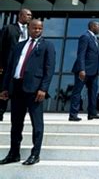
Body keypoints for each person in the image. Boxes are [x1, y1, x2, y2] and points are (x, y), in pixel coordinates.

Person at [0, 19, 55, 166]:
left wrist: (43, 89)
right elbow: (10, 68)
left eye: (40, 28)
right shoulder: (19, 46)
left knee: (37, 124)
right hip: (17, 88)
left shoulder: (47, 46)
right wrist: (5, 88)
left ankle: (35, 154)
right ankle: (14, 154)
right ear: (28, 28)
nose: (37, 30)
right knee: (16, 124)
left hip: (35, 91)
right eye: (34, 28)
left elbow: (49, 70)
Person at [0, 8, 32, 121]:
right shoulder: (9, 28)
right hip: (7, 65)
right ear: (20, 15)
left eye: (31, 15)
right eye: (27, 15)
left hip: (21, 67)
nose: (30, 17)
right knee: (3, 88)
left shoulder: (30, 31)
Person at [69, 20, 99, 121]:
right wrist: (82, 69)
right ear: (93, 26)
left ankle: (92, 113)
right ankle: (73, 115)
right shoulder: (85, 36)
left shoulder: (94, 38)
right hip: (83, 71)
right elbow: (81, 54)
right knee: (77, 92)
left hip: (93, 71)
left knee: (93, 93)